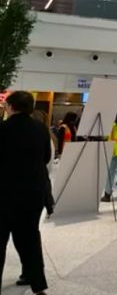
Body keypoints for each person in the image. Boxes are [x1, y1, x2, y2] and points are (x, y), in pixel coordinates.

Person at [0, 91, 51, 295]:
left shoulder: (2, 129)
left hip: (4, 194)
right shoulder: (40, 129)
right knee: (30, 238)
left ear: (11, 107)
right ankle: (37, 284)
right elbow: (46, 158)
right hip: (33, 193)